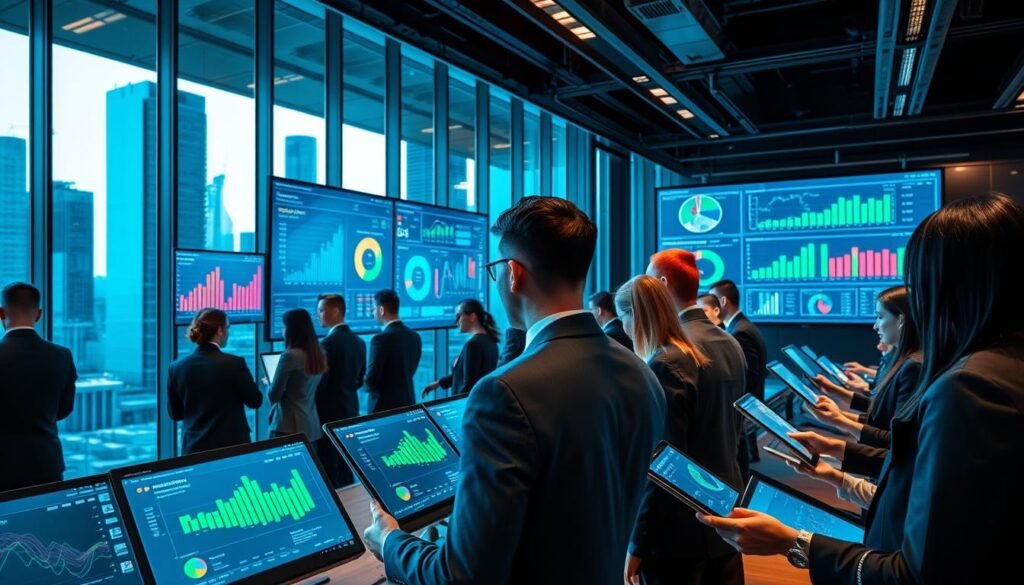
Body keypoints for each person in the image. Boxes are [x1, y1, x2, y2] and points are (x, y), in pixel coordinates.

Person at [697, 193, 1024, 584]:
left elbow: (917, 573)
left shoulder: (969, 387)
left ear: (948, 286)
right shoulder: (1003, 367)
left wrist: (793, 542)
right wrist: (838, 452)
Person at [363, 196, 666, 584]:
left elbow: (461, 576)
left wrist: (390, 542)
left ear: (512, 274)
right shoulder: (641, 374)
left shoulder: (503, 393)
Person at [617, 275, 744, 585]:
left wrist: (637, 543)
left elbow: (665, 468)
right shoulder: (729, 343)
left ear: (635, 315)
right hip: (724, 511)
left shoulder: (664, 362)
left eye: (622, 318)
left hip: (678, 534)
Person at [647, 250, 747, 479]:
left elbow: (668, 461)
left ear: (662, 284)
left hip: (692, 501)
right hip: (730, 484)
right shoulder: (731, 341)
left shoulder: (669, 355)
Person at [808, 286, 922, 445]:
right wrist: (838, 414)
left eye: (880, 317)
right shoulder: (905, 361)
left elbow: (896, 441)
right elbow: (882, 415)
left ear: (901, 320)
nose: (875, 326)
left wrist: (840, 422)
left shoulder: (913, 367)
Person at [0, 283, 76, 492]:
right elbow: (64, 410)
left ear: (1, 313)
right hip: (46, 466)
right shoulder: (62, 355)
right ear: (39, 314)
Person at [168, 308, 263, 455]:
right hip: (232, 447)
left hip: (194, 449)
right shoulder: (234, 364)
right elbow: (255, 401)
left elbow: (176, 414)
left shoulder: (176, 367)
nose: (228, 332)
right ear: (220, 331)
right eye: (228, 327)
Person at [709, 279, 767, 473]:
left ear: (723, 301)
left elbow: (746, 376)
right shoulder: (742, 326)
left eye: (713, 300)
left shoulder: (740, 332)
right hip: (747, 403)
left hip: (743, 405)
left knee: (738, 455)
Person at [315, 293, 366, 487]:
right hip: (350, 409)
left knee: (329, 467)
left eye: (321, 310)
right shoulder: (359, 342)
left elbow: (321, 384)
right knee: (346, 465)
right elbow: (360, 379)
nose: (318, 315)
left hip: (328, 413)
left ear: (336, 312)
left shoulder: (327, 344)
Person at [268, 309, 328, 441]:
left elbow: (274, 395)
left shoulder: (290, 356)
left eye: (284, 327)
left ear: (291, 330)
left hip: (287, 428)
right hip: (311, 427)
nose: (282, 331)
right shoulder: (320, 355)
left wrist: (269, 382)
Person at [423, 299, 499, 398]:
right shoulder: (491, 342)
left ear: (472, 317)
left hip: (469, 404)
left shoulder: (473, 345)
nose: (457, 321)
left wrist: (456, 404)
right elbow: (462, 375)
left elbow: (469, 383)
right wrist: (437, 384)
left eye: (459, 316)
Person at [365, 289, 421, 413]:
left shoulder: (379, 339)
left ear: (381, 310)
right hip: (407, 404)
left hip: (383, 409)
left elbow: (372, 379)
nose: (373, 313)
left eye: (374, 309)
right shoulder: (414, 336)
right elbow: (410, 371)